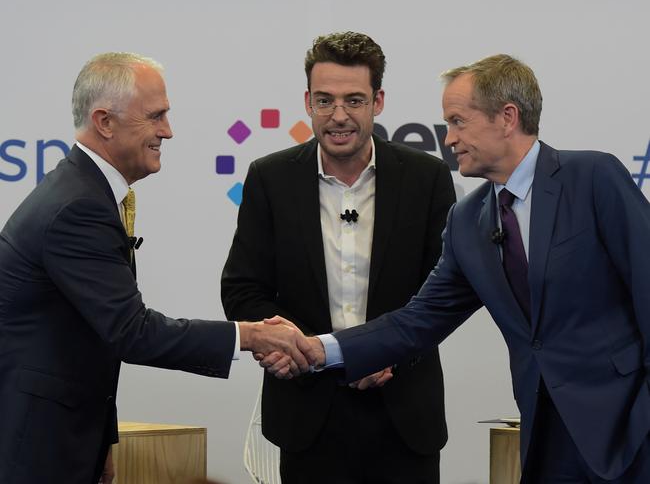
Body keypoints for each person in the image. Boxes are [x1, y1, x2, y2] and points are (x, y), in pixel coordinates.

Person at [267, 53, 650, 483]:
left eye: (457, 121)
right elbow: (419, 320)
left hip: (630, 428)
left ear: (507, 117)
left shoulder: (592, 178)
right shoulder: (468, 221)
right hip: (546, 439)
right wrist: (324, 350)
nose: (448, 138)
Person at [0, 52, 312, 484]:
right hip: (36, 448)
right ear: (105, 122)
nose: (168, 130)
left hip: (63, 438)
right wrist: (252, 334)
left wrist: (101, 438)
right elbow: (132, 332)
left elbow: (91, 337)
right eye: (156, 117)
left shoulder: (84, 192)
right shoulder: (78, 208)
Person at [221, 32, 455, 484]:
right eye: (325, 101)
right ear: (307, 101)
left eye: (354, 100)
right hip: (308, 415)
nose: (339, 116)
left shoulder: (426, 178)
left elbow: (443, 293)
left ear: (378, 101)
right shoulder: (269, 178)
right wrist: (288, 345)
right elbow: (242, 289)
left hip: (404, 418)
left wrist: (386, 353)